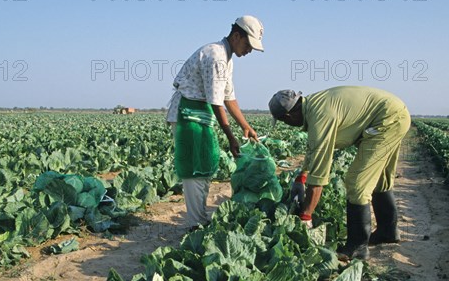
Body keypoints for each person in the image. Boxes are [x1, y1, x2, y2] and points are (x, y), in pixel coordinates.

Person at [268, 86, 411, 260]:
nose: (286, 125)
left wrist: (306, 216)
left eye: (283, 121)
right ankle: (387, 231)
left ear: (289, 116)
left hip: (387, 120)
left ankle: (357, 246)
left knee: (356, 183)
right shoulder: (314, 106)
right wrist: (301, 177)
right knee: (380, 178)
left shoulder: (320, 117)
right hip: (393, 112)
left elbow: (319, 175)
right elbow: (313, 149)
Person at [166, 15, 264, 231]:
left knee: (205, 167)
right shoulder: (216, 56)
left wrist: (246, 126)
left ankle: (199, 218)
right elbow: (217, 102)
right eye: (248, 44)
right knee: (194, 170)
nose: (249, 51)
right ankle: (196, 223)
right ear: (237, 36)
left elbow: (229, 97)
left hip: (199, 114)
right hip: (188, 115)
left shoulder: (227, 59)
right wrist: (231, 137)